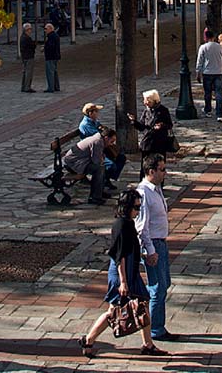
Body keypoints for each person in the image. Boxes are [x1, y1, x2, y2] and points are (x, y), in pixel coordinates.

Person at [78, 188, 167, 358]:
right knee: (114, 311)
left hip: (129, 272)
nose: (138, 211)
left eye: (139, 207)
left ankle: (147, 344)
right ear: (126, 207)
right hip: (122, 274)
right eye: (136, 207)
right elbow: (120, 256)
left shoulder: (127, 223)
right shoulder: (122, 225)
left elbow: (129, 251)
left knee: (142, 304)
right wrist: (124, 282)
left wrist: (143, 258)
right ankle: (88, 339)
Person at [136, 154, 175, 343]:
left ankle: (156, 324)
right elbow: (141, 227)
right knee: (157, 287)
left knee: (165, 283)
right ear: (151, 171)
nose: (165, 173)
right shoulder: (144, 193)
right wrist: (150, 251)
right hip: (153, 244)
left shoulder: (156, 189)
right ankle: (156, 329)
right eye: (162, 169)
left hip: (162, 242)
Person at [80, 102, 126, 187]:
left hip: (102, 148)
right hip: (92, 151)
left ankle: (107, 178)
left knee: (121, 158)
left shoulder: (94, 121)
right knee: (110, 165)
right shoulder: (86, 125)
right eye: (96, 111)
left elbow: (103, 129)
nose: (98, 113)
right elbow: (99, 136)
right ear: (90, 113)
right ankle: (103, 181)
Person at [62, 129, 110, 205]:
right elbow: (96, 161)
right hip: (73, 163)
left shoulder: (98, 139)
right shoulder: (97, 142)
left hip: (79, 161)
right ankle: (95, 197)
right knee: (99, 169)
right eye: (111, 141)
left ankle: (99, 192)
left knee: (101, 168)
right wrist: (101, 159)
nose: (111, 144)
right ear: (106, 138)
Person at [128, 89, 174, 165]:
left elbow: (169, 125)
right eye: (145, 101)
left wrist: (161, 125)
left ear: (154, 101)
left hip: (159, 143)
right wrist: (134, 121)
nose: (145, 103)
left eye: (148, 101)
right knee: (145, 166)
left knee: (159, 165)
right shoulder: (146, 111)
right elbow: (142, 127)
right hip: (147, 143)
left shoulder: (163, 110)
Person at [194, 28, 222, 120]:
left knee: (207, 93)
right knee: (218, 93)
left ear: (206, 37)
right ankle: (219, 113)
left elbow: (199, 61)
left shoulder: (203, 47)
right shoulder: (219, 46)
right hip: (218, 72)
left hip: (207, 72)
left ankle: (208, 110)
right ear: (214, 37)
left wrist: (198, 72)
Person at [43, 21, 61, 92]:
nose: (45, 30)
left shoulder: (51, 36)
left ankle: (51, 88)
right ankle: (56, 86)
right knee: (54, 72)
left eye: (46, 29)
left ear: (50, 29)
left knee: (50, 72)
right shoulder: (55, 35)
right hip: (55, 56)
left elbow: (51, 46)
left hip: (51, 57)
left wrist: (44, 48)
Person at [20, 22, 37, 92]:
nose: (31, 31)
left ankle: (23, 86)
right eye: (30, 29)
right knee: (28, 72)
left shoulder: (22, 37)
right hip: (29, 56)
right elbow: (32, 46)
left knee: (25, 72)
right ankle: (27, 87)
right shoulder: (27, 38)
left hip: (24, 56)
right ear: (27, 29)